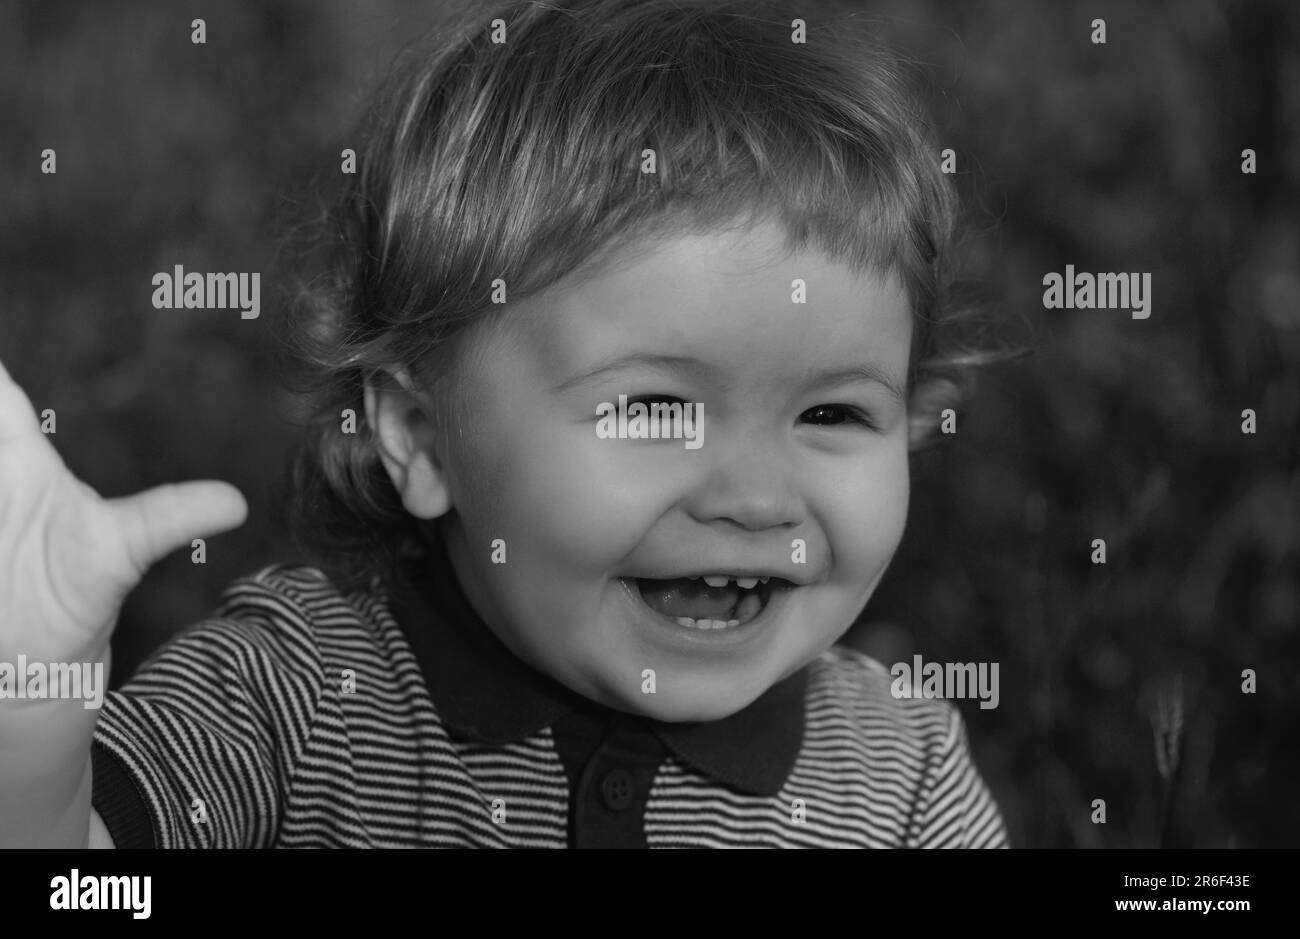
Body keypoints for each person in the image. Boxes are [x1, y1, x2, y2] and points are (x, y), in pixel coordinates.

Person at [0, 0, 1009, 848]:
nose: (755, 496)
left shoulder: (900, 777)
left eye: (831, 411)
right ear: (421, 436)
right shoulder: (297, 699)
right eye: (656, 407)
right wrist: (31, 720)